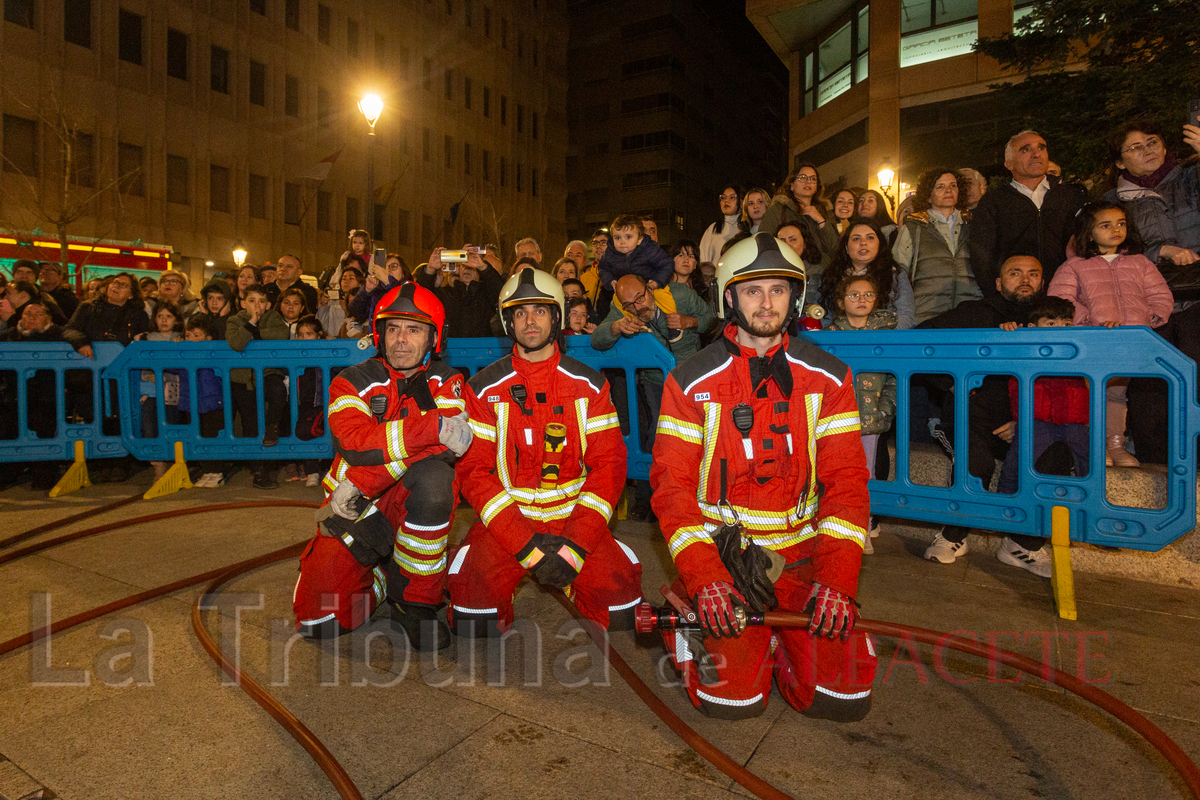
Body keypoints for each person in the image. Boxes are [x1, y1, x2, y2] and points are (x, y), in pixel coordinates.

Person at [651, 232, 876, 722]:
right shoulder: (688, 380)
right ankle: (688, 618)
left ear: (795, 297)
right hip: (725, 557)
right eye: (753, 290)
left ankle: (788, 647)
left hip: (802, 557)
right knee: (731, 701)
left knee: (841, 700)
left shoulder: (830, 377)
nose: (766, 302)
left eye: (778, 289)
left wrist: (837, 581)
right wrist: (706, 578)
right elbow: (671, 489)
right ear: (728, 297)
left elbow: (846, 483)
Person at [446, 267, 642, 636]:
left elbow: (609, 467)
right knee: (474, 623)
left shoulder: (590, 384)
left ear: (557, 317)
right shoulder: (485, 388)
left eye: (539, 310)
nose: (529, 321)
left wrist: (575, 548)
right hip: (508, 520)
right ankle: (496, 580)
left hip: (574, 516)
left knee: (622, 611)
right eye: (519, 312)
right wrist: (527, 549)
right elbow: (475, 473)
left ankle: (579, 575)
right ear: (508, 323)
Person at [293, 283, 470, 649]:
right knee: (318, 621)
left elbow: (448, 449)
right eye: (393, 328)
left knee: (436, 478)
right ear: (379, 333)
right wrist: (432, 427)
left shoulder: (448, 381)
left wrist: (361, 481)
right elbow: (357, 444)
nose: (401, 340)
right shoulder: (350, 381)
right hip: (354, 511)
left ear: (434, 337)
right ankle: (381, 581)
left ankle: (414, 601)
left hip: (380, 496)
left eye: (414, 329)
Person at [918, 255, 1058, 577]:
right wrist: (948, 382)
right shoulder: (973, 313)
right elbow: (921, 339)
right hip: (973, 419)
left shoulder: (1052, 320)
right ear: (998, 282)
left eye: (1033, 273)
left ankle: (1022, 543)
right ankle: (954, 535)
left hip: (1027, 422)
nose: (1025, 279)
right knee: (974, 460)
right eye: (1015, 273)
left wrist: (1027, 423)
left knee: (1054, 454)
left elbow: (1065, 381)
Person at [1048, 200, 1173, 467]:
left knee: (1117, 393)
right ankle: (1093, 446)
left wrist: (1148, 319)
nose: (1115, 230)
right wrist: (1089, 323)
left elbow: (1160, 295)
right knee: (1092, 392)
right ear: (1088, 232)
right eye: (1105, 225)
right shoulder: (1074, 266)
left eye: (1121, 224)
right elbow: (1060, 301)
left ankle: (1115, 445)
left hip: (1131, 340)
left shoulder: (1140, 262)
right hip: (1093, 341)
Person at [825, 273, 898, 551]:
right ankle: (837, 524)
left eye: (868, 294)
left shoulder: (887, 335)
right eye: (854, 295)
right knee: (833, 472)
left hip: (870, 419)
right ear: (841, 302)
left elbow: (894, 378)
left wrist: (884, 411)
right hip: (836, 418)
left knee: (866, 473)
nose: (862, 300)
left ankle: (863, 527)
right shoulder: (829, 336)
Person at [970, 130, 1086, 296]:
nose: (1036, 154)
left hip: (1065, 295)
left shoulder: (1071, 196)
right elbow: (982, 257)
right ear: (1009, 164)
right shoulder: (994, 201)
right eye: (1025, 149)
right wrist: (996, 299)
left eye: (1041, 148)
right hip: (1014, 300)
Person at [995, 297, 1089, 495]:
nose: (1061, 329)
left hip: (1074, 422)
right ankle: (1006, 511)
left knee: (1090, 466)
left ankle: (1091, 511)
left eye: (1066, 324)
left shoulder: (1077, 351)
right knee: (1016, 464)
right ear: (1032, 327)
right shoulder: (1025, 348)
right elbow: (1002, 351)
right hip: (1035, 421)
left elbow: (1103, 350)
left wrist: (1110, 330)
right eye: (1052, 323)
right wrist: (1009, 332)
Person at [892, 167, 980, 324]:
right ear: (928, 196)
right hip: (926, 316)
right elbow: (897, 276)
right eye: (940, 186)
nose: (948, 190)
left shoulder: (975, 225)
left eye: (953, 185)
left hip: (970, 315)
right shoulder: (913, 228)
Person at [226, 284, 288, 487]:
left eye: (261, 301)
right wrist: (251, 324)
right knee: (250, 424)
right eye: (251, 301)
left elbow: (282, 335)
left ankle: (271, 425)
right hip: (243, 378)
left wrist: (256, 332)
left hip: (269, 372)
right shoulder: (234, 320)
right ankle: (259, 471)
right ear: (243, 303)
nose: (257, 306)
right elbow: (236, 343)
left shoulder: (274, 318)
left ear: (268, 304)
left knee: (278, 393)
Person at [2, 301, 63, 490]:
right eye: (28, 314)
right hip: (12, 395)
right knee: (5, 424)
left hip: (44, 395)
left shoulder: (57, 335)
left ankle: (43, 474)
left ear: (48, 318)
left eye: (38, 314)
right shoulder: (8, 336)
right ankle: (7, 473)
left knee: (42, 424)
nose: (32, 318)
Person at [816, 220, 915, 328]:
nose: (863, 242)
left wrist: (880, 337)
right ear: (846, 248)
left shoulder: (896, 275)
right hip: (839, 341)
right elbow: (822, 317)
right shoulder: (831, 276)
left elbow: (906, 316)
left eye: (870, 238)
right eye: (856, 238)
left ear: (880, 244)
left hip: (885, 341)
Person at [598, 214, 681, 341]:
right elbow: (603, 268)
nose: (622, 241)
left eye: (628, 237)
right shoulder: (610, 253)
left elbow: (667, 264)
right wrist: (610, 281)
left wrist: (658, 281)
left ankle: (673, 325)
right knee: (620, 303)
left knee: (663, 296)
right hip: (626, 289)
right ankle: (637, 325)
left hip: (649, 284)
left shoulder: (649, 249)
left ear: (639, 239)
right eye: (617, 237)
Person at [759, 164, 840, 268]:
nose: (808, 181)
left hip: (821, 274)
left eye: (813, 179)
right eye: (802, 177)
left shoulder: (825, 211)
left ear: (816, 188)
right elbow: (763, 242)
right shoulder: (778, 209)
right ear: (792, 185)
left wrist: (820, 220)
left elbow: (835, 249)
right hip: (789, 270)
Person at [416, 246, 506, 338]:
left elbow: (502, 295)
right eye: (463, 266)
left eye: (471, 267)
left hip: (483, 349)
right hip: (449, 349)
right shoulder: (446, 294)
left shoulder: (486, 295)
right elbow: (422, 299)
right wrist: (430, 270)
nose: (467, 269)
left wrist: (483, 267)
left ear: (479, 274)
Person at [181, 317, 229, 489]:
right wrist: (174, 348)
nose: (191, 339)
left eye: (196, 335)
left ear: (208, 338)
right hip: (190, 402)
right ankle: (206, 470)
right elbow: (171, 367)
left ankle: (217, 472)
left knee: (212, 436)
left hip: (211, 402)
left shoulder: (213, 354)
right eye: (187, 335)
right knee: (197, 436)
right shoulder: (183, 354)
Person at [699, 186, 742, 265]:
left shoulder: (747, 227)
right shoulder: (713, 229)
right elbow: (704, 261)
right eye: (723, 198)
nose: (726, 201)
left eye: (732, 197)